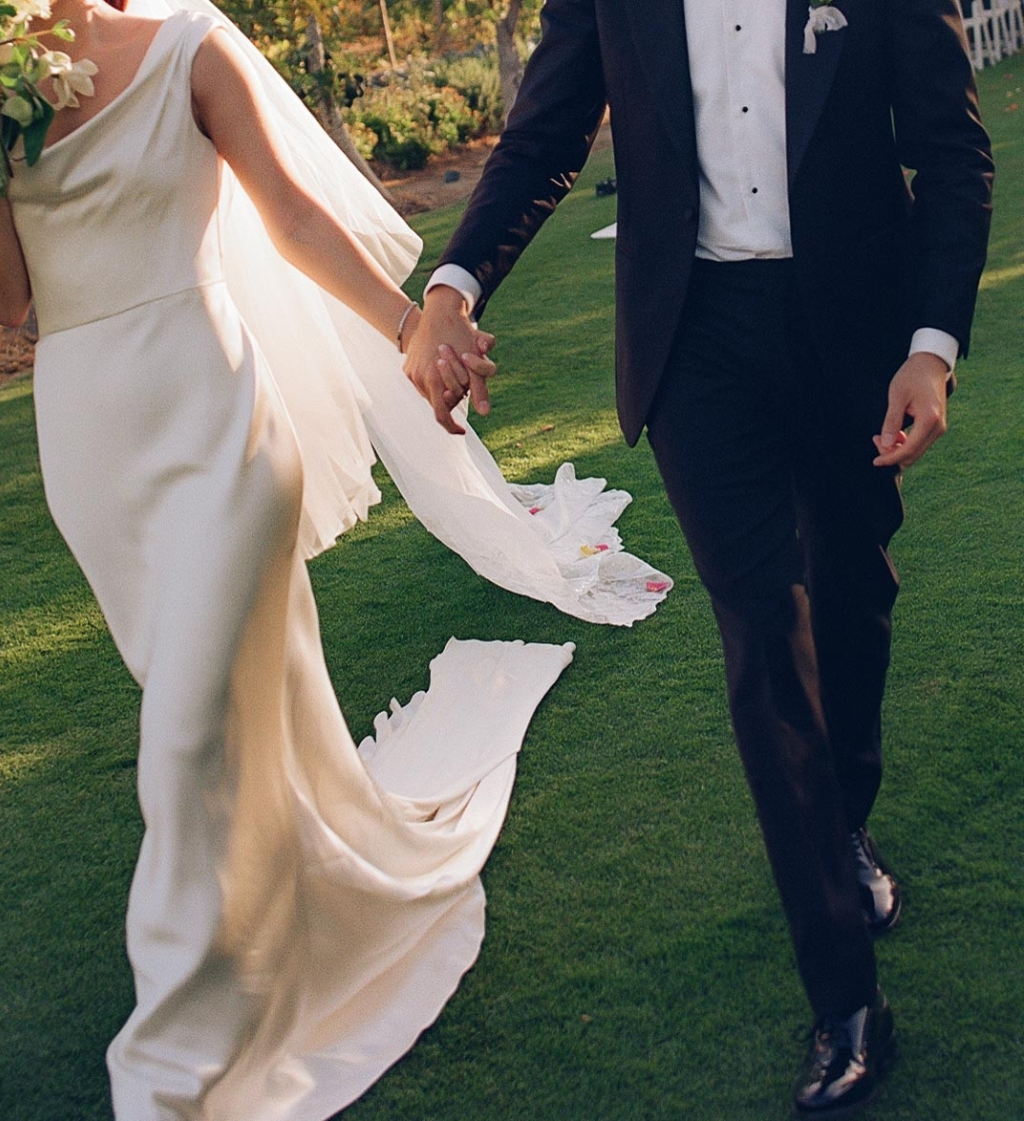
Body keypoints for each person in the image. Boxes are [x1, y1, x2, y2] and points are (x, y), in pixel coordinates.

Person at [0, 2, 584, 1117]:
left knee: (187, 738)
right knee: (235, 723)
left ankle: (180, 1058)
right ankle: (320, 900)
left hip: (217, 421)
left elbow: (291, 218)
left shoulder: (192, 50)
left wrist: (410, 327)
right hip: (90, 444)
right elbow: (6, 303)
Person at [405, 0, 994, 1114]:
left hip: (855, 331)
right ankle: (846, 1000)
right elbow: (546, 130)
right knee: (766, 635)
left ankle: (843, 819)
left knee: (852, 596)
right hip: (695, 343)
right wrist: (453, 286)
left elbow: (951, 151)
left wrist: (932, 348)